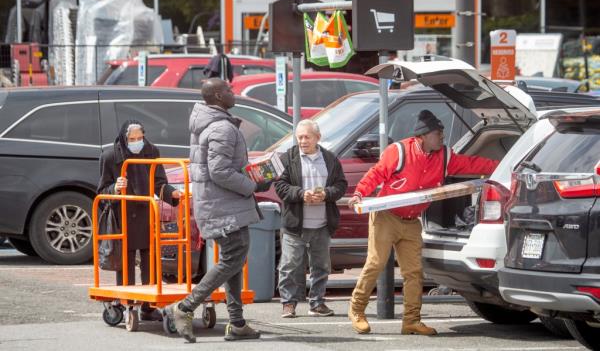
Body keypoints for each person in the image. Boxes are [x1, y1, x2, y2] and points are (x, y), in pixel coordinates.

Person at [347, 110, 500, 336]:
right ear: (423, 136)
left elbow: (472, 163)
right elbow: (376, 173)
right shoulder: (398, 151)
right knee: (376, 263)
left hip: (411, 221)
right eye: (438, 133)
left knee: (414, 273)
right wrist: (359, 193)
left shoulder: (445, 156)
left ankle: (411, 321)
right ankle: (357, 310)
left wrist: (503, 166)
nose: (442, 137)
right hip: (386, 217)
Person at [163, 78, 272, 343]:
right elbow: (220, 171)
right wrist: (250, 186)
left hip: (219, 204)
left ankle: (237, 323)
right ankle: (185, 307)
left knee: (233, 261)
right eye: (228, 90)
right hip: (224, 205)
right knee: (233, 258)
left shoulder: (209, 123)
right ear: (217, 96)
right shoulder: (221, 128)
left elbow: (220, 167)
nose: (233, 93)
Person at [98, 120, 181, 321]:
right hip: (123, 215)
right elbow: (101, 190)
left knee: (149, 260)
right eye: (132, 139)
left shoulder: (151, 151)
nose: (137, 142)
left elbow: (159, 182)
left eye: (140, 138)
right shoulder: (110, 156)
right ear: (124, 139)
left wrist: (173, 194)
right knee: (124, 261)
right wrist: (115, 188)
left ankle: (148, 307)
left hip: (145, 213)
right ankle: (126, 304)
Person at [274, 119, 347, 318]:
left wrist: (326, 194)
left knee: (321, 266)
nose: (303, 141)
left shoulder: (330, 159)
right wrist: (300, 194)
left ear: (318, 138)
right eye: (299, 137)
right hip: (295, 225)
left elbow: (341, 186)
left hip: (322, 224)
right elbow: (280, 186)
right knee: (289, 266)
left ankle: (317, 303)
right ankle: (288, 303)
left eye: (307, 137)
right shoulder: (287, 158)